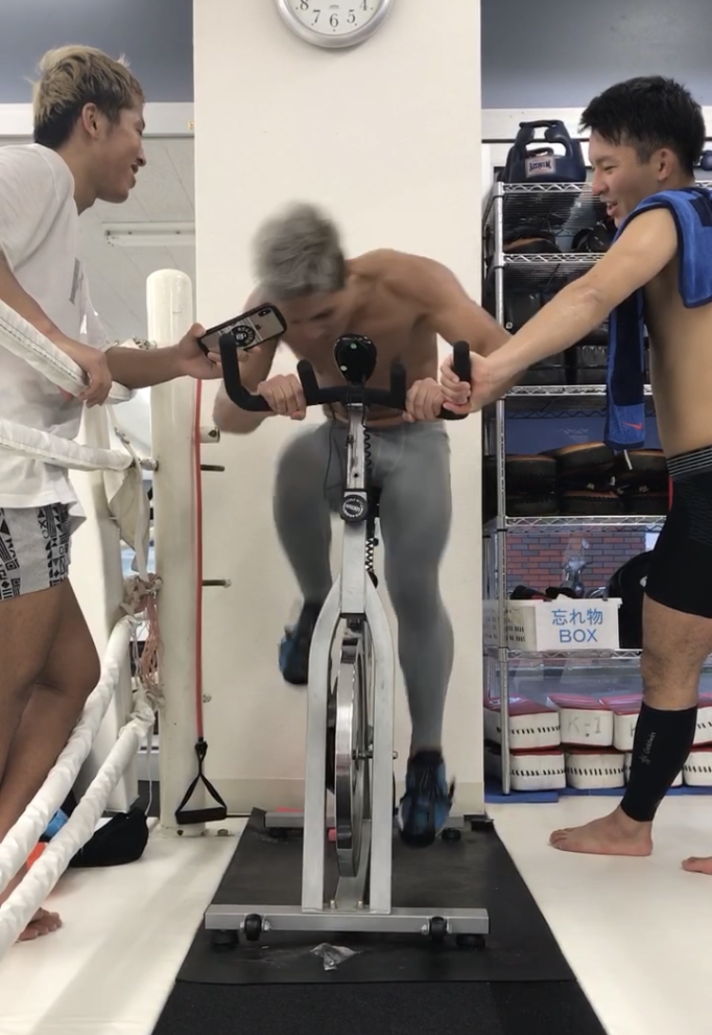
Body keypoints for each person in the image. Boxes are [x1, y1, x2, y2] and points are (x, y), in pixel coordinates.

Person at [440, 74, 712, 874]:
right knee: (671, 649)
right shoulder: (699, 220)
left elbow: (593, 292)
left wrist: (496, 370)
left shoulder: (669, 213)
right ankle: (632, 822)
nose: (596, 187)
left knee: (670, 653)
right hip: (700, 478)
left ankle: (631, 824)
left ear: (661, 163)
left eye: (606, 167)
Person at [0, 46, 221, 940]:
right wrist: (62, 345)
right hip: (9, 484)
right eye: (137, 128)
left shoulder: (64, 238)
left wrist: (180, 359)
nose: (142, 151)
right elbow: (69, 352)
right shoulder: (34, 172)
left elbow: (100, 363)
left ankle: (6, 863)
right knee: (13, 686)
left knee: (71, 675)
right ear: (92, 120)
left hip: (32, 488)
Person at [213, 202, 509, 845]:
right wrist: (266, 397)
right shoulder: (264, 309)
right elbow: (226, 416)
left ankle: (426, 760)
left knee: (412, 587)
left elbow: (504, 357)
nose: (308, 333)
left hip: (414, 437)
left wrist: (451, 387)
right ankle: (315, 604)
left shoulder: (408, 280)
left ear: (346, 274)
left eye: (323, 316)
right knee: (295, 464)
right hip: (335, 435)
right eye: (295, 323)